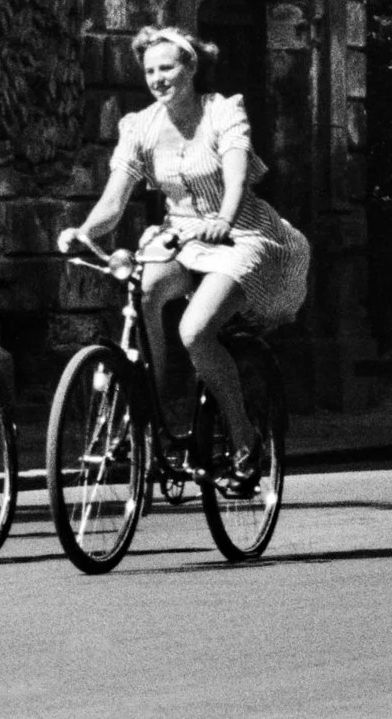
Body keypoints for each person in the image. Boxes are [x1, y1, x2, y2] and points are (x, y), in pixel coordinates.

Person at [58, 25, 311, 495]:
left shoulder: (222, 112)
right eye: (150, 70)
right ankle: (157, 406)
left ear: (190, 67)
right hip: (179, 235)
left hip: (242, 235)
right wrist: (83, 233)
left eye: (168, 67)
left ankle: (243, 439)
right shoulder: (140, 126)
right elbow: (115, 201)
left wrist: (224, 219)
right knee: (147, 290)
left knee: (195, 330)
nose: (158, 78)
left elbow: (235, 180)